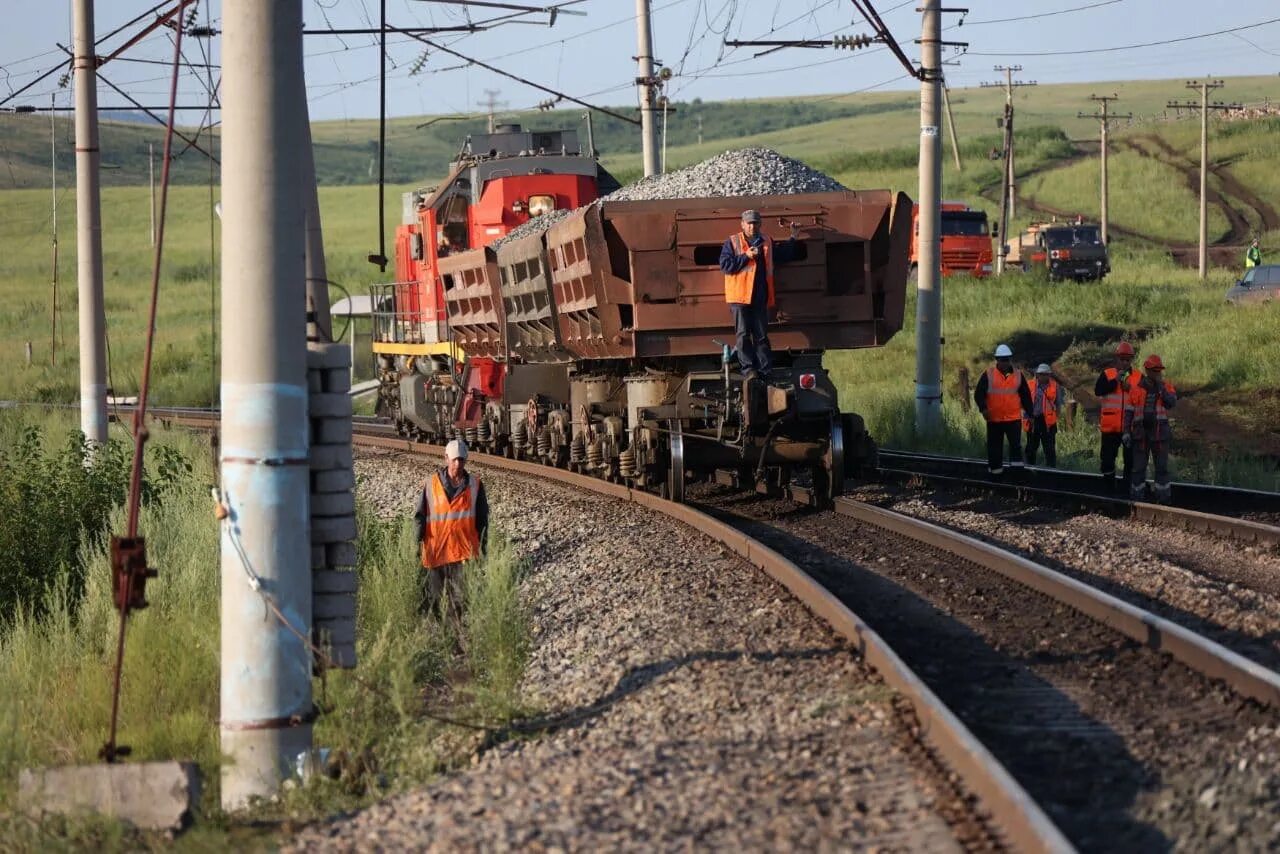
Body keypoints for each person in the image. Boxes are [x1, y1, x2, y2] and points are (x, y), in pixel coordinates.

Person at [719, 209, 802, 382]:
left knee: (761, 336)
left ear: (760, 224)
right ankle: (748, 370)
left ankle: (765, 371)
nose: (752, 226)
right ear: (742, 224)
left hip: (759, 298)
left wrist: (793, 237)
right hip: (739, 299)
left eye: (755, 223)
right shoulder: (732, 242)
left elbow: (782, 255)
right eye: (749, 223)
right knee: (742, 335)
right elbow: (726, 265)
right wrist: (746, 256)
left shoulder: (767, 241)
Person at [413, 438, 489, 619]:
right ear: (446, 458)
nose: (457, 464)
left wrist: (484, 548)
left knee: (460, 603)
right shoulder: (431, 485)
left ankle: (458, 643)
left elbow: (483, 521)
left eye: (461, 460)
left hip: (463, 554)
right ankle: (441, 639)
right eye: (454, 459)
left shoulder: (475, 485)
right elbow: (419, 517)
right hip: (436, 554)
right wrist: (414, 545)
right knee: (436, 602)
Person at [1123, 354, 1177, 504]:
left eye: (1159, 370)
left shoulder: (1166, 386)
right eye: (1154, 370)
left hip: (1160, 434)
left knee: (1161, 468)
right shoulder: (1136, 389)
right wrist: (1126, 431)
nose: (1157, 373)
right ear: (1147, 370)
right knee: (1138, 469)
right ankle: (1137, 499)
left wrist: (1161, 389)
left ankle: (1163, 499)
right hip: (1141, 434)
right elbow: (1129, 412)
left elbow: (1171, 403)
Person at [974, 344, 1033, 474]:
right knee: (994, 448)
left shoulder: (1018, 375)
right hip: (994, 419)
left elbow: (1026, 396)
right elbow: (979, 394)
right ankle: (996, 475)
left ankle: (1017, 475)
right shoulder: (988, 375)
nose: (1005, 362)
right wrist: (983, 409)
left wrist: (1031, 414)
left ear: (1010, 359)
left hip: (1013, 419)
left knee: (1016, 447)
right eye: (1002, 359)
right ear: (997, 360)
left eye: (1007, 359)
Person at [1095, 341, 1141, 492]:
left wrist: (1131, 389)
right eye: (1122, 359)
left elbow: (1144, 398)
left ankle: (1126, 490)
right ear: (1116, 359)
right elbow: (1098, 390)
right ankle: (1109, 489)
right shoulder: (1107, 374)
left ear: (1131, 360)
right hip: (1110, 427)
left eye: (1128, 359)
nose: (1125, 362)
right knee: (1107, 461)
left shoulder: (1138, 377)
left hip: (1131, 428)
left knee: (1131, 461)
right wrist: (1115, 381)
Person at [1023, 363, 1062, 467]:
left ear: (1049, 375)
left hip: (1048, 423)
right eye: (1041, 374)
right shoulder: (1029, 385)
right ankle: (1030, 469)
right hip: (1033, 420)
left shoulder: (1055, 386)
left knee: (1049, 449)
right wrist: (1028, 417)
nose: (1044, 376)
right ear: (1037, 374)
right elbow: (1023, 403)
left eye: (1046, 374)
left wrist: (1054, 419)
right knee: (1031, 448)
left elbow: (1058, 405)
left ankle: (1051, 471)